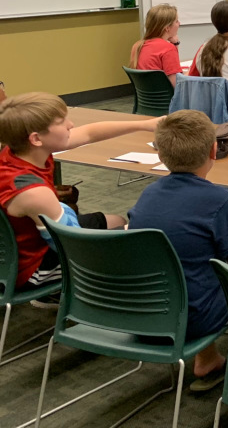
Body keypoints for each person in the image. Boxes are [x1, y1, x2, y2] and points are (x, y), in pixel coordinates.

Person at [128, 110, 228, 390]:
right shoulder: (219, 199)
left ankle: (209, 358)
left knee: (193, 267)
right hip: (191, 319)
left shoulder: (149, 193)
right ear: (215, 149)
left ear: (160, 155)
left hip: (143, 314)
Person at [0, 92, 160, 291]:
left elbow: (90, 133)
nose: (71, 125)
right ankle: (68, 298)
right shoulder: (34, 193)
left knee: (116, 221)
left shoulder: (18, 151)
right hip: (32, 269)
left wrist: (145, 124)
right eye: (61, 122)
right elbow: (76, 249)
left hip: (28, 242)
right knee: (139, 242)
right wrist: (129, 235)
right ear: (36, 138)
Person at [128, 3, 184, 86]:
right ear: (167, 28)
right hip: (167, 98)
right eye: (176, 21)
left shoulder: (137, 46)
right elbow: (177, 85)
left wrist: (175, 44)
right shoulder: (168, 49)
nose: (179, 23)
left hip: (145, 98)